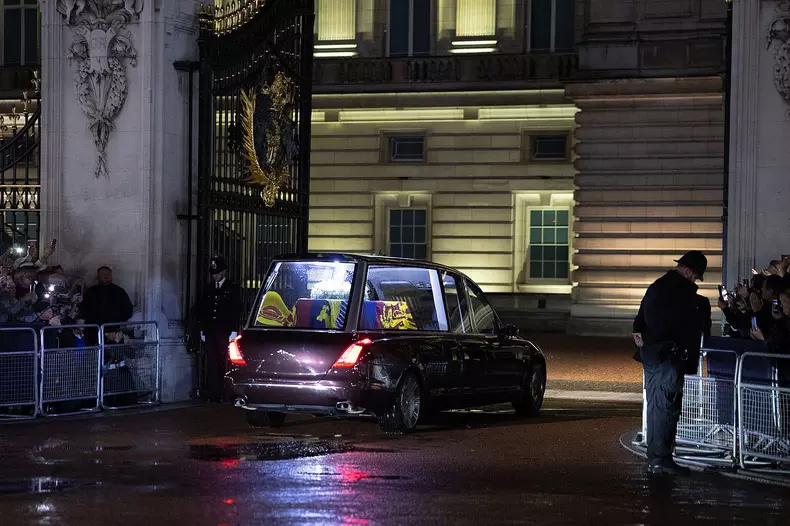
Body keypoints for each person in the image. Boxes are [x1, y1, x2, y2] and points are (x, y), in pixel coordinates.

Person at [632, 250, 709, 476]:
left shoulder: (657, 285)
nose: (695, 281)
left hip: (652, 355)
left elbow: (641, 316)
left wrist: (639, 332)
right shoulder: (681, 292)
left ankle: (656, 456)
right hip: (669, 356)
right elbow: (684, 325)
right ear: (688, 271)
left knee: (657, 406)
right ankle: (662, 458)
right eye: (696, 276)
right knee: (667, 407)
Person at [196, 256, 242, 402]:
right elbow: (203, 310)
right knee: (212, 362)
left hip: (224, 331)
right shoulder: (209, 288)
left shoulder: (232, 288)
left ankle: (224, 393)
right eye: (214, 273)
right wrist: (203, 329)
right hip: (211, 331)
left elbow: (235, 310)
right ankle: (213, 393)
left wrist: (233, 330)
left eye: (218, 272)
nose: (215, 275)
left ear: (224, 272)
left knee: (224, 362)